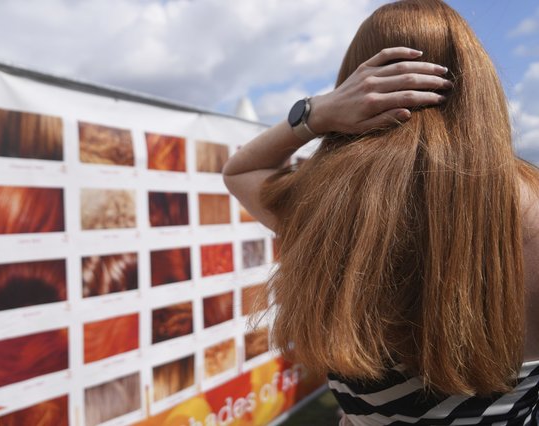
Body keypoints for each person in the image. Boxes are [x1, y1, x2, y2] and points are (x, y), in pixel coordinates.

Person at [222, 0, 539, 424]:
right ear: (475, 80)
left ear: (356, 82)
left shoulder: (320, 205)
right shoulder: (532, 205)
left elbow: (241, 169)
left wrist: (316, 113)